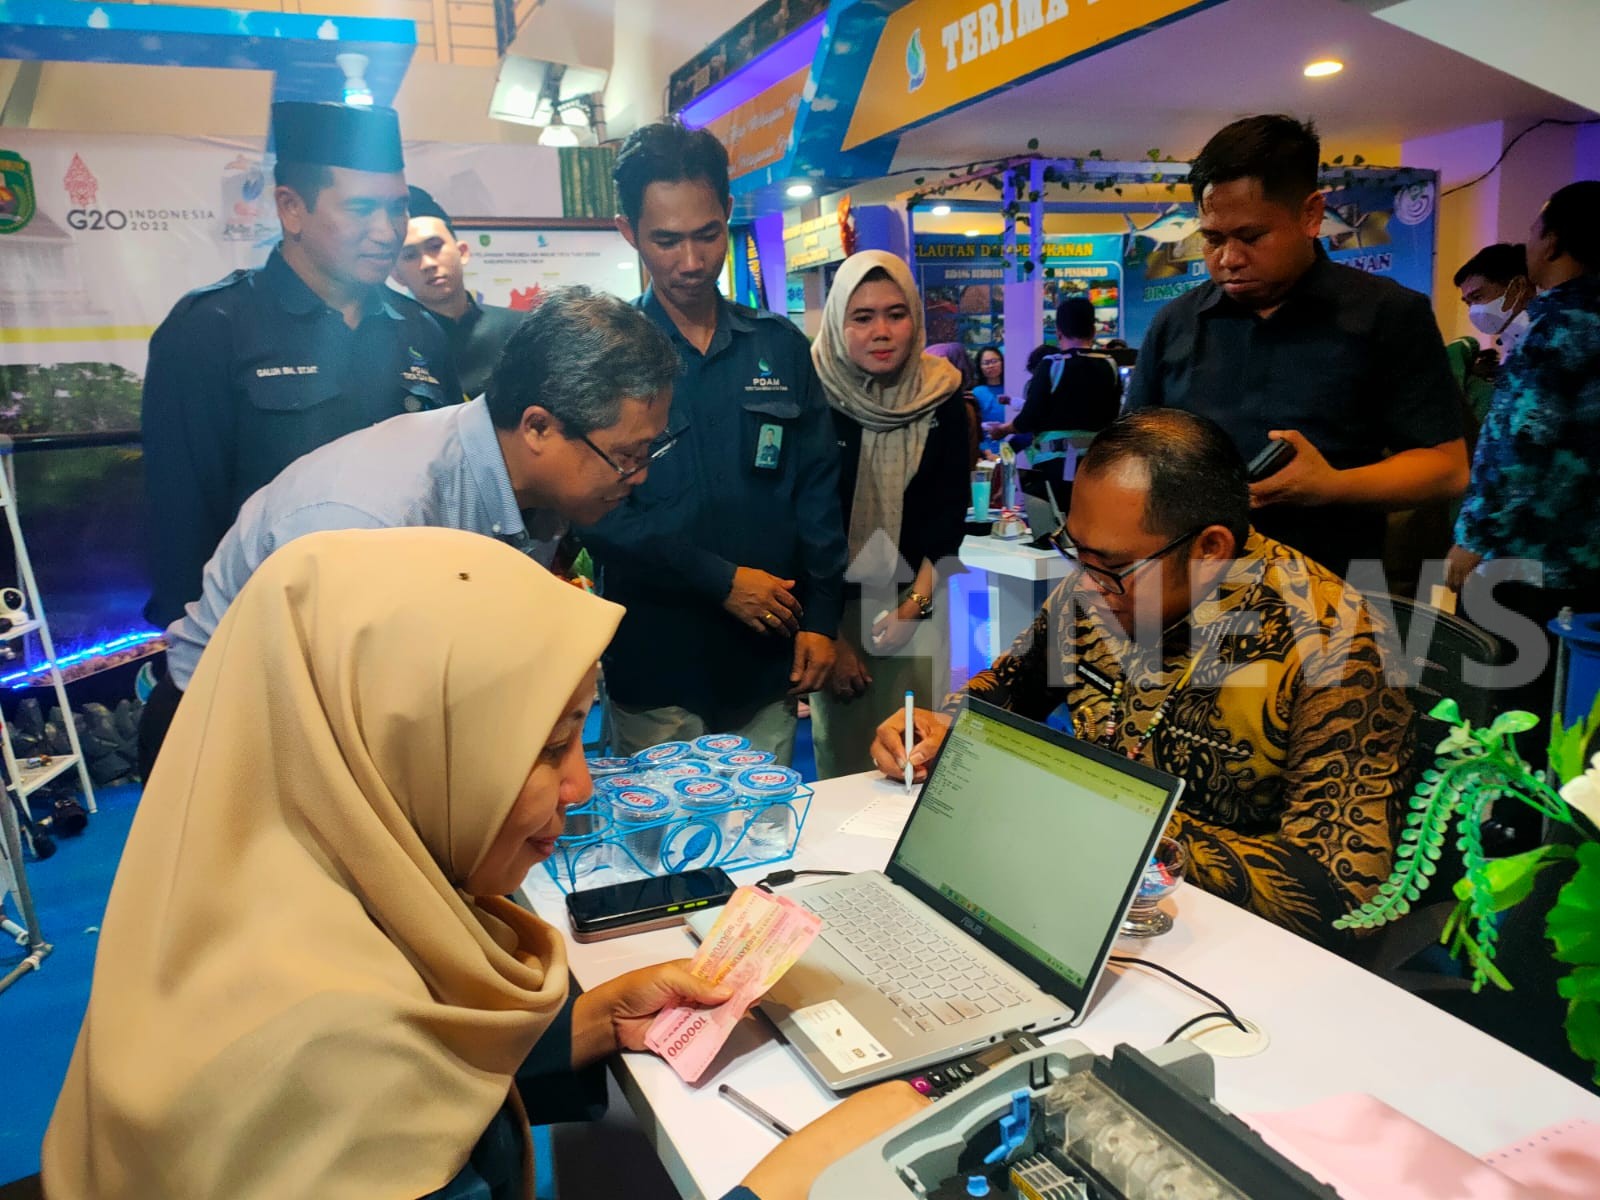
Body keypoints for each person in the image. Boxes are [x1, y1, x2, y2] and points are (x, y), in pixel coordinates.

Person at [46, 528, 926, 1199]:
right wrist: (803, 1173)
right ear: (402, 751)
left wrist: (588, 1024)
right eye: (546, 750)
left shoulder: (269, 913)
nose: (581, 788)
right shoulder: (325, 1066)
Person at [868, 410, 1414, 951]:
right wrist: (945, 726)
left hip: (1226, 944)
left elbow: (1349, 896)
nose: (1084, 582)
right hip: (1083, 898)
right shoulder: (1098, 585)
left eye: (1110, 565)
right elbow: (1011, 687)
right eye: (1075, 550)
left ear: (1209, 550)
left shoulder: (1333, 641)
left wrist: (1119, 819)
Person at [137, 286, 680, 777]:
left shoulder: (528, 483)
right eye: (627, 456)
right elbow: (329, 734)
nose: (640, 475)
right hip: (229, 738)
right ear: (538, 426)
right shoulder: (371, 522)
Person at [580, 119, 847, 762]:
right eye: (666, 241)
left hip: (766, 666)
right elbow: (593, 511)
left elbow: (817, 492)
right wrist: (719, 580)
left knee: (764, 851)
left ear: (728, 212)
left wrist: (823, 618)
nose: (692, 262)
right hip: (657, 665)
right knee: (668, 851)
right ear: (628, 233)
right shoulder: (604, 357)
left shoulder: (778, 346)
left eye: (707, 235)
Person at [140, 101, 462, 630]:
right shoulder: (211, 330)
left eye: (397, 207)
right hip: (271, 637)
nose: (388, 231)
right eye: (361, 209)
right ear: (291, 208)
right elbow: (180, 524)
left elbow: (447, 488)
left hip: (404, 629)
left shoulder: (418, 329)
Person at [1126, 114, 1468, 579]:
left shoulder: (1387, 314)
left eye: (1251, 237)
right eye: (1212, 239)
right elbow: (1133, 452)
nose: (1228, 259)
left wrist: (1332, 486)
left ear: (1310, 215)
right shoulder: (1175, 323)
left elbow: (1445, 468)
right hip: (1190, 593)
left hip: (1329, 595)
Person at [809, 252, 968, 780]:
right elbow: (803, 524)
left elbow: (948, 521)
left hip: (916, 603)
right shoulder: (814, 396)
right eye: (862, 316)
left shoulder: (941, 396)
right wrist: (832, 637)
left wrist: (912, 610)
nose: (881, 331)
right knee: (846, 764)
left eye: (896, 314)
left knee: (916, 757)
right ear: (837, 322)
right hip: (835, 612)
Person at [1447, 181, 1600, 728]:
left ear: (1553, 242)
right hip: (1582, 558)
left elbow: (1521, 443)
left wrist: (1473, 538)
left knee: (1499, 708)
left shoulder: (1556, 326)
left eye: (1534, 230)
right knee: (1563, 707)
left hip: (1523, 557)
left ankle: (1494, 811)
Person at [393, 186, 525, 401]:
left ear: (462, 252)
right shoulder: (392, 344)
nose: (427, 263)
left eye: (435, 246)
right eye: (409, 256)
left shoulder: (520, 329)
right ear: (396, 274)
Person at [994, 297, 1122, 480]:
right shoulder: (1110, 365)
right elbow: (1114, 415)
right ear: (1093, 331)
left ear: (1059, 333)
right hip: (1098, 464)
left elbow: (1030, 417)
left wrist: (1004, 429)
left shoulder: (1052, 365)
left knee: (1056, 509)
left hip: (1055, 463)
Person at [1455, 241, 1536, 365]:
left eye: (1477, 297)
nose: (1473, 311)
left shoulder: (1548, 341)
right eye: (1468, 303)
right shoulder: (1512, 342)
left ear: (1518, 287)